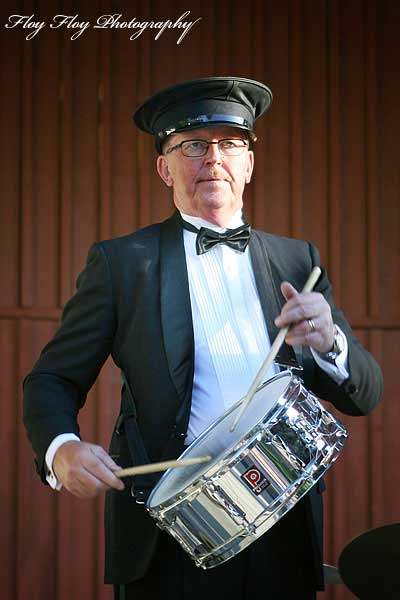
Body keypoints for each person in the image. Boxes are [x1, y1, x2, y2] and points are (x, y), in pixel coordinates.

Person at [23, 77, 383, 600]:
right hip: (167, 534)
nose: (213, 158)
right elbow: (51, 379)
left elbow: (366, 395)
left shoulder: (297, 261)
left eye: (230, 144)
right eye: (193, 145)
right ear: (165, 167)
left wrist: (331, 342)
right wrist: (61, 449)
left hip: (282, 529)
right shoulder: (123, 264)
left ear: (249, 165)